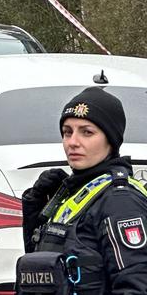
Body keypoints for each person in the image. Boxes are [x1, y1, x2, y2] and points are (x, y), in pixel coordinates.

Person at [16, 87, 147, 294]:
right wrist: (35, 210)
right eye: (67, 132)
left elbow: (136, 284)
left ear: (110, 140)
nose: (73, 142)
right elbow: (46, 274)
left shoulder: (120, 200)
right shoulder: (74, 193)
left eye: (87, 132)